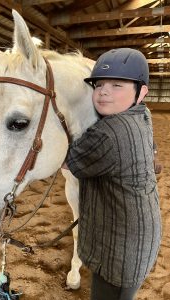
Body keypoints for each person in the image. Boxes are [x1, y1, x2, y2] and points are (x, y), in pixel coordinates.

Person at [63, 48, 162, 300]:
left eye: (117, 85)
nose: (104, 91)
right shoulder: (144, 114)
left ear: (141, 93)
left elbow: (67, 162)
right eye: (99, 85)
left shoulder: (109, 133)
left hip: (118, 254)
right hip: (141, 239)